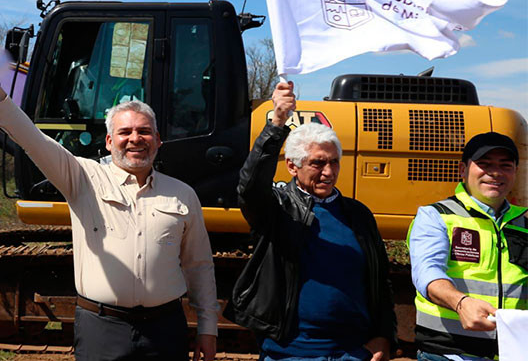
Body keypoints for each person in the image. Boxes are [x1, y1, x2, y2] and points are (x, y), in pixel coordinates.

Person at [0, 83, 219, 361]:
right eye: (125, 132)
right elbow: (34, 140)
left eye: (144, 131)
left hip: (165, 329)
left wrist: (208, 327)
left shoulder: (183, 194)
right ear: (109, 141)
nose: (135, 138)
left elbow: (199, 265)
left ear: (157, 140)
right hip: (101, 328)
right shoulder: (82, 178)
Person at [225, 81, 396, 361]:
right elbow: (250, 187)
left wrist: (384, 337)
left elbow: (380, 282)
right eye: (317, 163)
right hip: (291, 353)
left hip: (353, 353)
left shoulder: (358, 215)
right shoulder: (278, 209)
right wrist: (277, 122)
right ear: (292, 166)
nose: (328, 172)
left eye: (334, 162)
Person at [408, 131, 527, 360]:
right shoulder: (436, 216)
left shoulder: (524, 224)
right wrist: (461, 303)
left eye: (505, 165)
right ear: (463, 170)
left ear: (515, 172)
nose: (495, 173)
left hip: (512, 352)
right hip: (449, 353)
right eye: (484, 164)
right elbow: (427, 272)